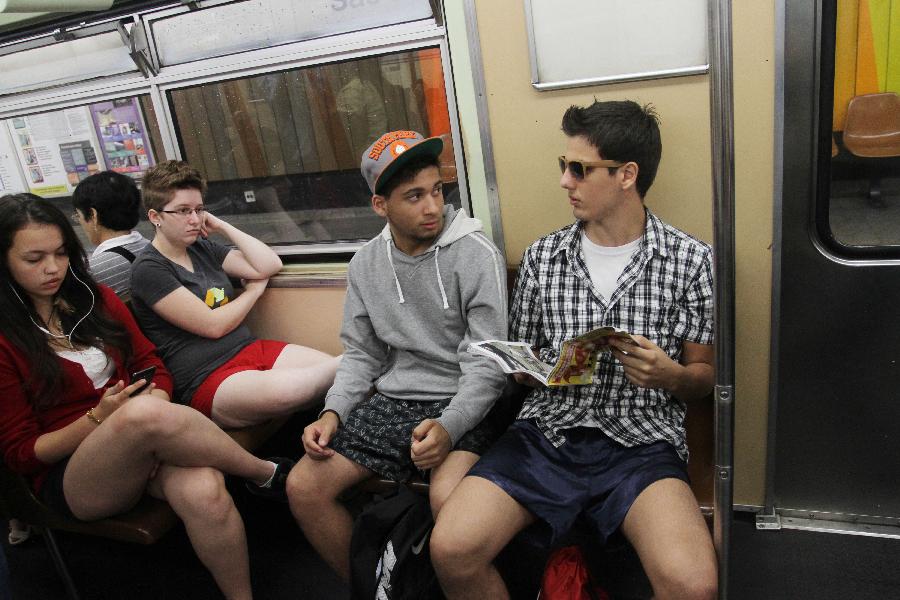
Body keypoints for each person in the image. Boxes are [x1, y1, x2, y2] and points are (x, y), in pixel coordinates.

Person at [430, 100, 718, 600]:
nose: (565, 181)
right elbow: (525, 357)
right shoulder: (545, 258)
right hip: (549, 432)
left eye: (579, 169)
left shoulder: (691, 260)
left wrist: (669, 375)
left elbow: (704, 376)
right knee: (451, 547)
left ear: (627, 175)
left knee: (693, 584)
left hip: (641, 438)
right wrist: (530, 370)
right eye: (563, 166)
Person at [0, 193, 290, 600]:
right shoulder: (5, 339)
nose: (53, 268)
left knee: (203, 488)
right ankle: (264, 474)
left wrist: (157, 400)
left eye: (62, 253)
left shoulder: (94, 299)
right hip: (71, 475)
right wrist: (102, 419)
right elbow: (21, 454)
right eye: (34, 259)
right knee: (140, 417)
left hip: (142, 436)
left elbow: (150, 362)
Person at [285, 130, 508, 580]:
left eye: (437, 191)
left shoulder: (475, 254)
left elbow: (488, 362)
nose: (432, 207)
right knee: (304, 485)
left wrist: (449, 427)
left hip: (467, 401)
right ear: (380, 206)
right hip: (397, 399)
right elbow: (362, 354)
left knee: (451, 501)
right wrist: (333, 413)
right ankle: (376, 588)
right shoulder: (366, 264)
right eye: (413, 196)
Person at [129, 160, 340, 429]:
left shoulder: (201, 247)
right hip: (207, 377)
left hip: (248, 348)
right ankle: (364, 357)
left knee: (337, 371)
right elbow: (213, 326)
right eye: (183, 211)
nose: (195, 220)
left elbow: (269, 264)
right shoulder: (149, 269)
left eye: (199, 210)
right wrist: (252, 292)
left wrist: (222, 226)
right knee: (295, 388)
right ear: (155, 216)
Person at [72, 170, 150, 300]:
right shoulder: (153, 248)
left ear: (93, 215)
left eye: (78, 216)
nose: (80, 222)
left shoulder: (90, 272)